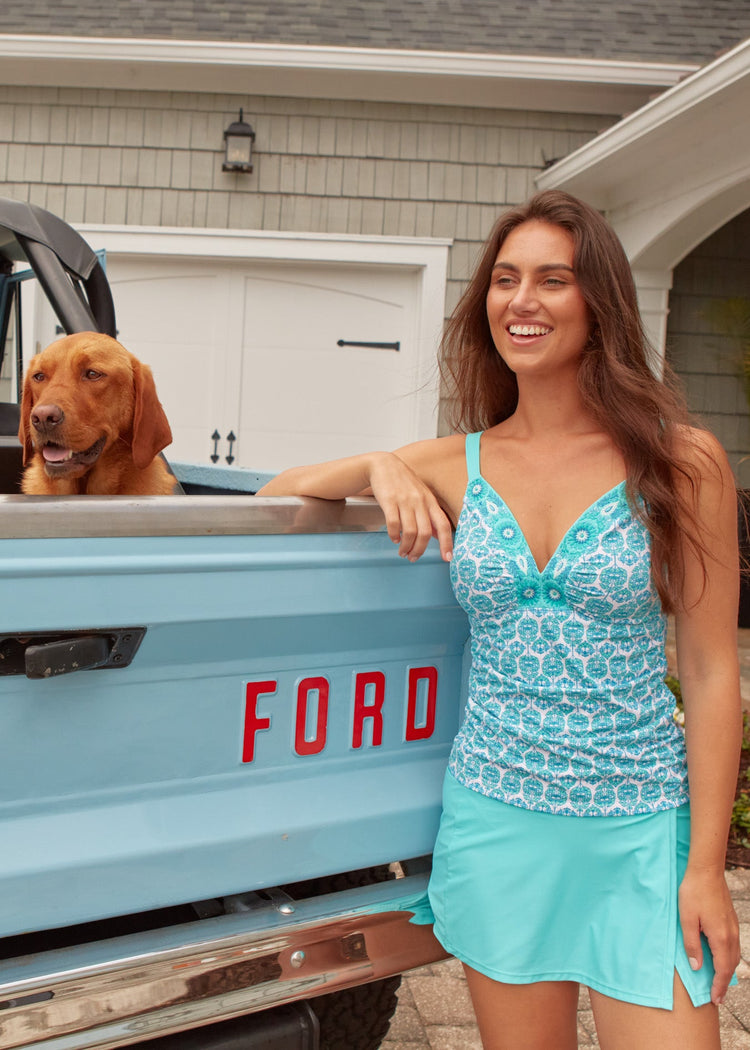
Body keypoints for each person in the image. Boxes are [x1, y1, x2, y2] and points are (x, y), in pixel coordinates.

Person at [258, 190, 742, 1050]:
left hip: (638, 829)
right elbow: (276, 494)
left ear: (601, 303)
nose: (522, 300)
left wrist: (705, 869)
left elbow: (711, 674)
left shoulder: (681, 461)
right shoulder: (454, 462)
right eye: (505, 279)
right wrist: (378, 464)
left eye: (553, 280)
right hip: (499, 820)